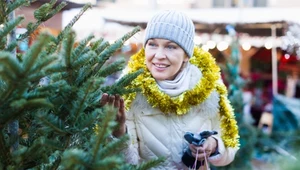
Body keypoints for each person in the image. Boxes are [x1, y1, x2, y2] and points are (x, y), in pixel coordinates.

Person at [100, 10, 240, 170]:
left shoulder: (209, 87)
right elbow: (126, 162)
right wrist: (119, 132)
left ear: (186, 55)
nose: (159, 55)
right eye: (152, 44)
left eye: (171, 47)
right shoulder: (130, 90)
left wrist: (213, 145)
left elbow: (230, 148)